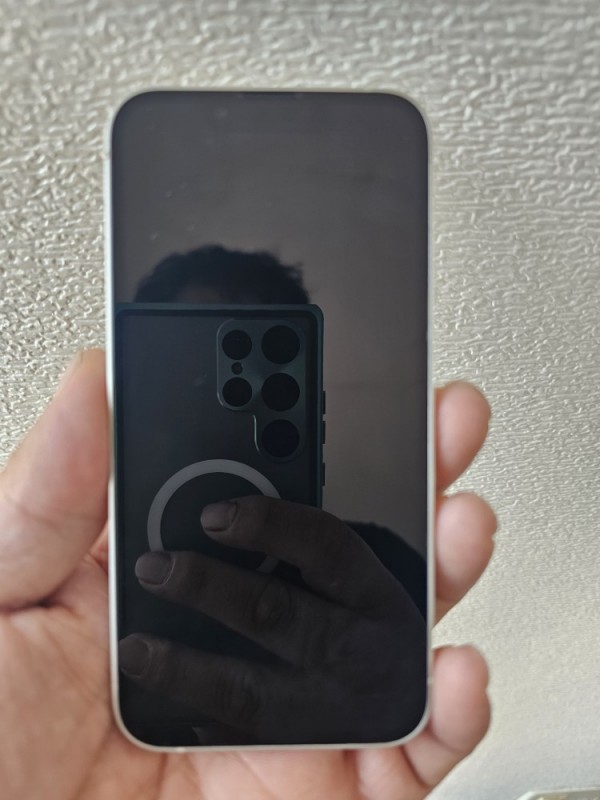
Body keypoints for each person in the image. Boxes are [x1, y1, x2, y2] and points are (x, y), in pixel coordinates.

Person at [0, 350, 495, 798]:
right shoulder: (93, 598)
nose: (213, 408)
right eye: (185, 380)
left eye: (267, 380)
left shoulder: (370, 566)